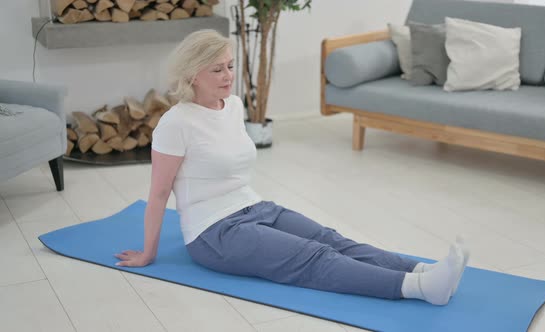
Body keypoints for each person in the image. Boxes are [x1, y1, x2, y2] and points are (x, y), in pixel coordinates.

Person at [114, 30, 470, 306]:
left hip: (256, 207)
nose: (228, 75)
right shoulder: (177, 122)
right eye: (217, 69)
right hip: (214, 233)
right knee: (313, 258)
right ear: (192, 75)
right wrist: (148, 253)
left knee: (331, 239)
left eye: (230, 65)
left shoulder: (233, 106)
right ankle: (419, 288)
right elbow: (159, 193)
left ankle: (421, 269)